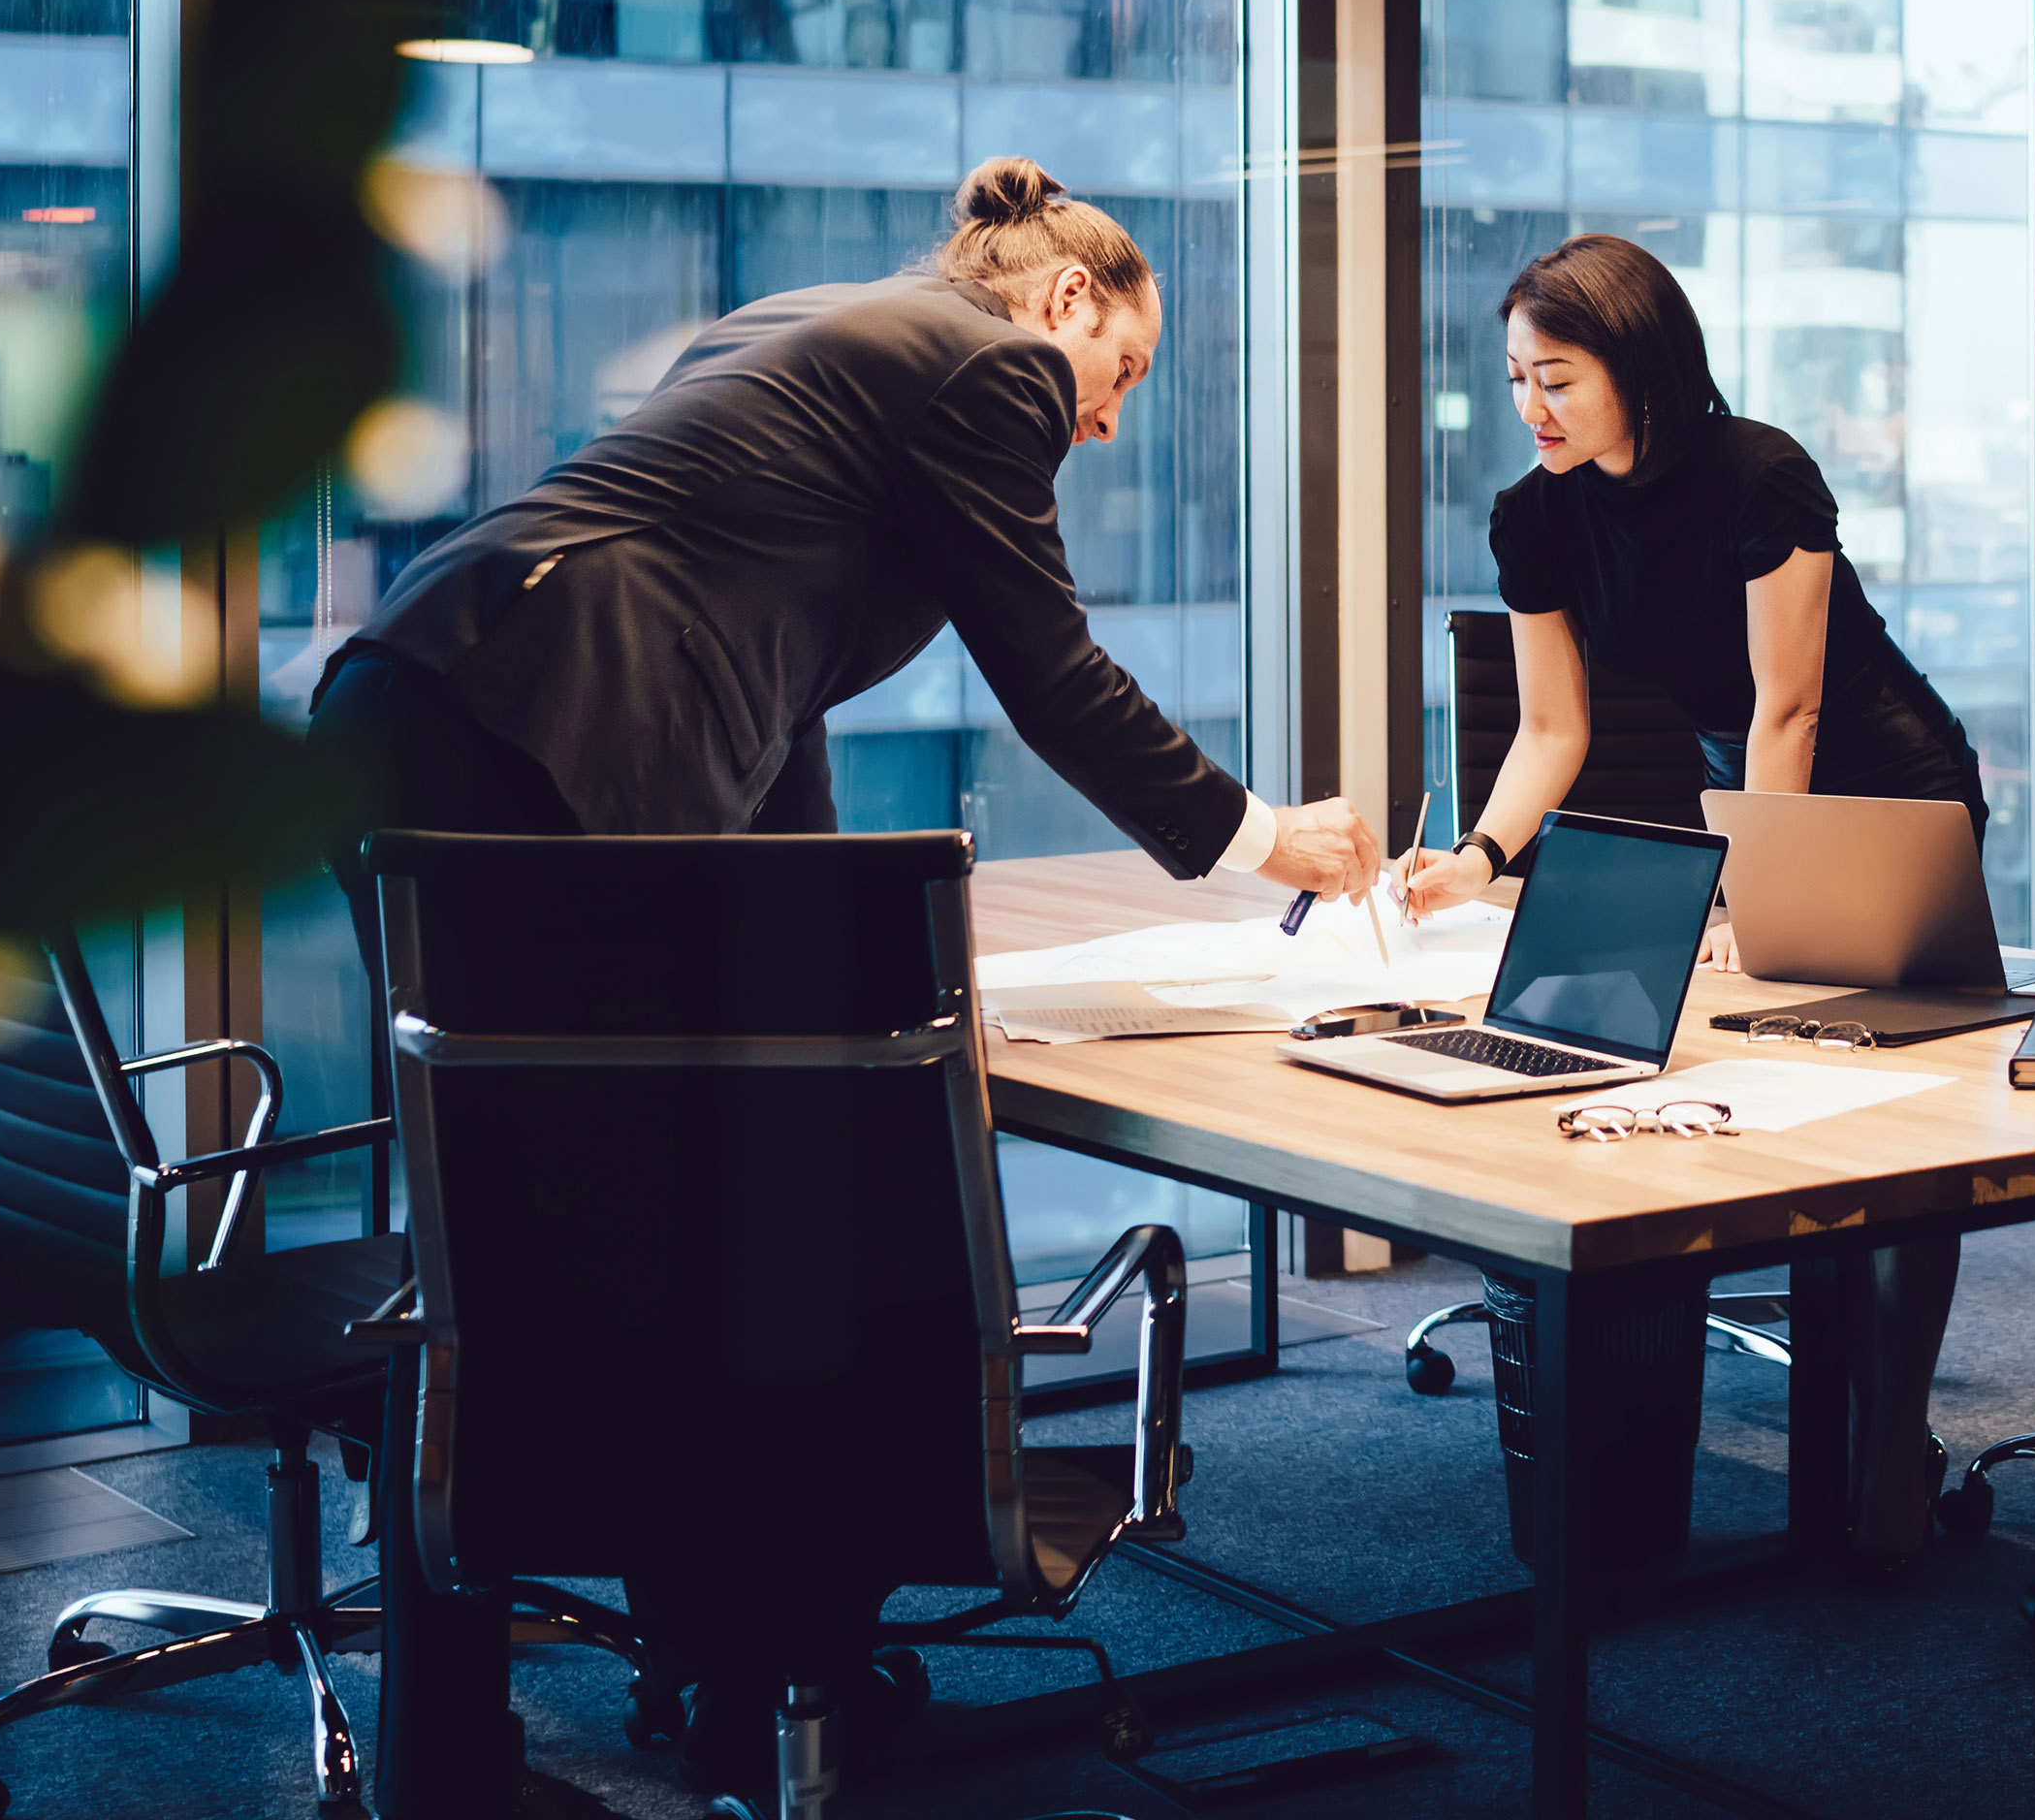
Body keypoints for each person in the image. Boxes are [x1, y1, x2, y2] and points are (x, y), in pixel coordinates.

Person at [309, 157, 1383, 1807]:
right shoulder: (993, 363)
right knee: (685, 1236)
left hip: (430, 703)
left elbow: (772, 667)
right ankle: (745, 1691)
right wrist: (1257, 837)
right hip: (540, 745)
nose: (1104, 422)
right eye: (1126, 376)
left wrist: (805, 938)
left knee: (510, 1217)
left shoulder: (811, 322)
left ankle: (552, 1702)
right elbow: (1053, 668)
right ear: (1069, 302)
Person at [1395, 231, 1984, 1578]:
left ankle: (1890, 1445)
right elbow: (1551, 731)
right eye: (1515, 380)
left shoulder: (1756, 475)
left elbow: (1797, 703)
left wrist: (1758, 882)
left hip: (1879, 789)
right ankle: (1823, 1451)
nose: (1529, 408)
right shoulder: (1535, 516)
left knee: (1907, 1112)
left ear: (1639, 369)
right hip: (1745, 786)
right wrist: (1477, 859)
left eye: (1556, 378)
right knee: (1765, 1073)